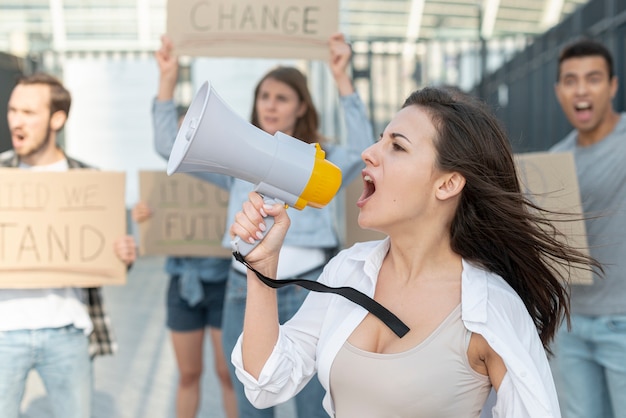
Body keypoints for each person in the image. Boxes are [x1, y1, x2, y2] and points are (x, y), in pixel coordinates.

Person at [228, 86, 600, 417]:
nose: (369, 153)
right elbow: (266, 383)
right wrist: (261, 268)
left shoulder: (488, 309)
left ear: (447, 183)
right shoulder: (348, 270)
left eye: (397, 146)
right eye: (379, 139)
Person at [153, 33, 374, 417]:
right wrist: (167, 78)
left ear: (302, 106)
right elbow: (167, 144)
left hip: (309, 288)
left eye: (282, 97)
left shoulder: (322, 158)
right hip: (244, 290)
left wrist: (342, 77)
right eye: (264, 96)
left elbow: (363, 149)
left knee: (314, 404)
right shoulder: (236, 158)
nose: (270, 105)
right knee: (251, 402)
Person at [0, 72, 137, 418]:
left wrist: (123, 256)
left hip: (68, 332)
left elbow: (109, 258)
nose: (16, 121)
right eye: (13, 110)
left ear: (56, 119)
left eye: (28, 113)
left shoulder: (90, 181)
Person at [131, 35, 237, 418]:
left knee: (228, 373)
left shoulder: (228, 175)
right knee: (188, 373)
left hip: (224, 280)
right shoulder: (169, 184)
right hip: (183, 281)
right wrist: (144, 217)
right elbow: (151, 219)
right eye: (181, 136)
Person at [550, 38, 626, 418]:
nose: (581, 89)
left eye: (593, 79)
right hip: (573, 324)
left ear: (612, 86)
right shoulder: (554, 161)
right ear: (559, 91)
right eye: (570, 80)